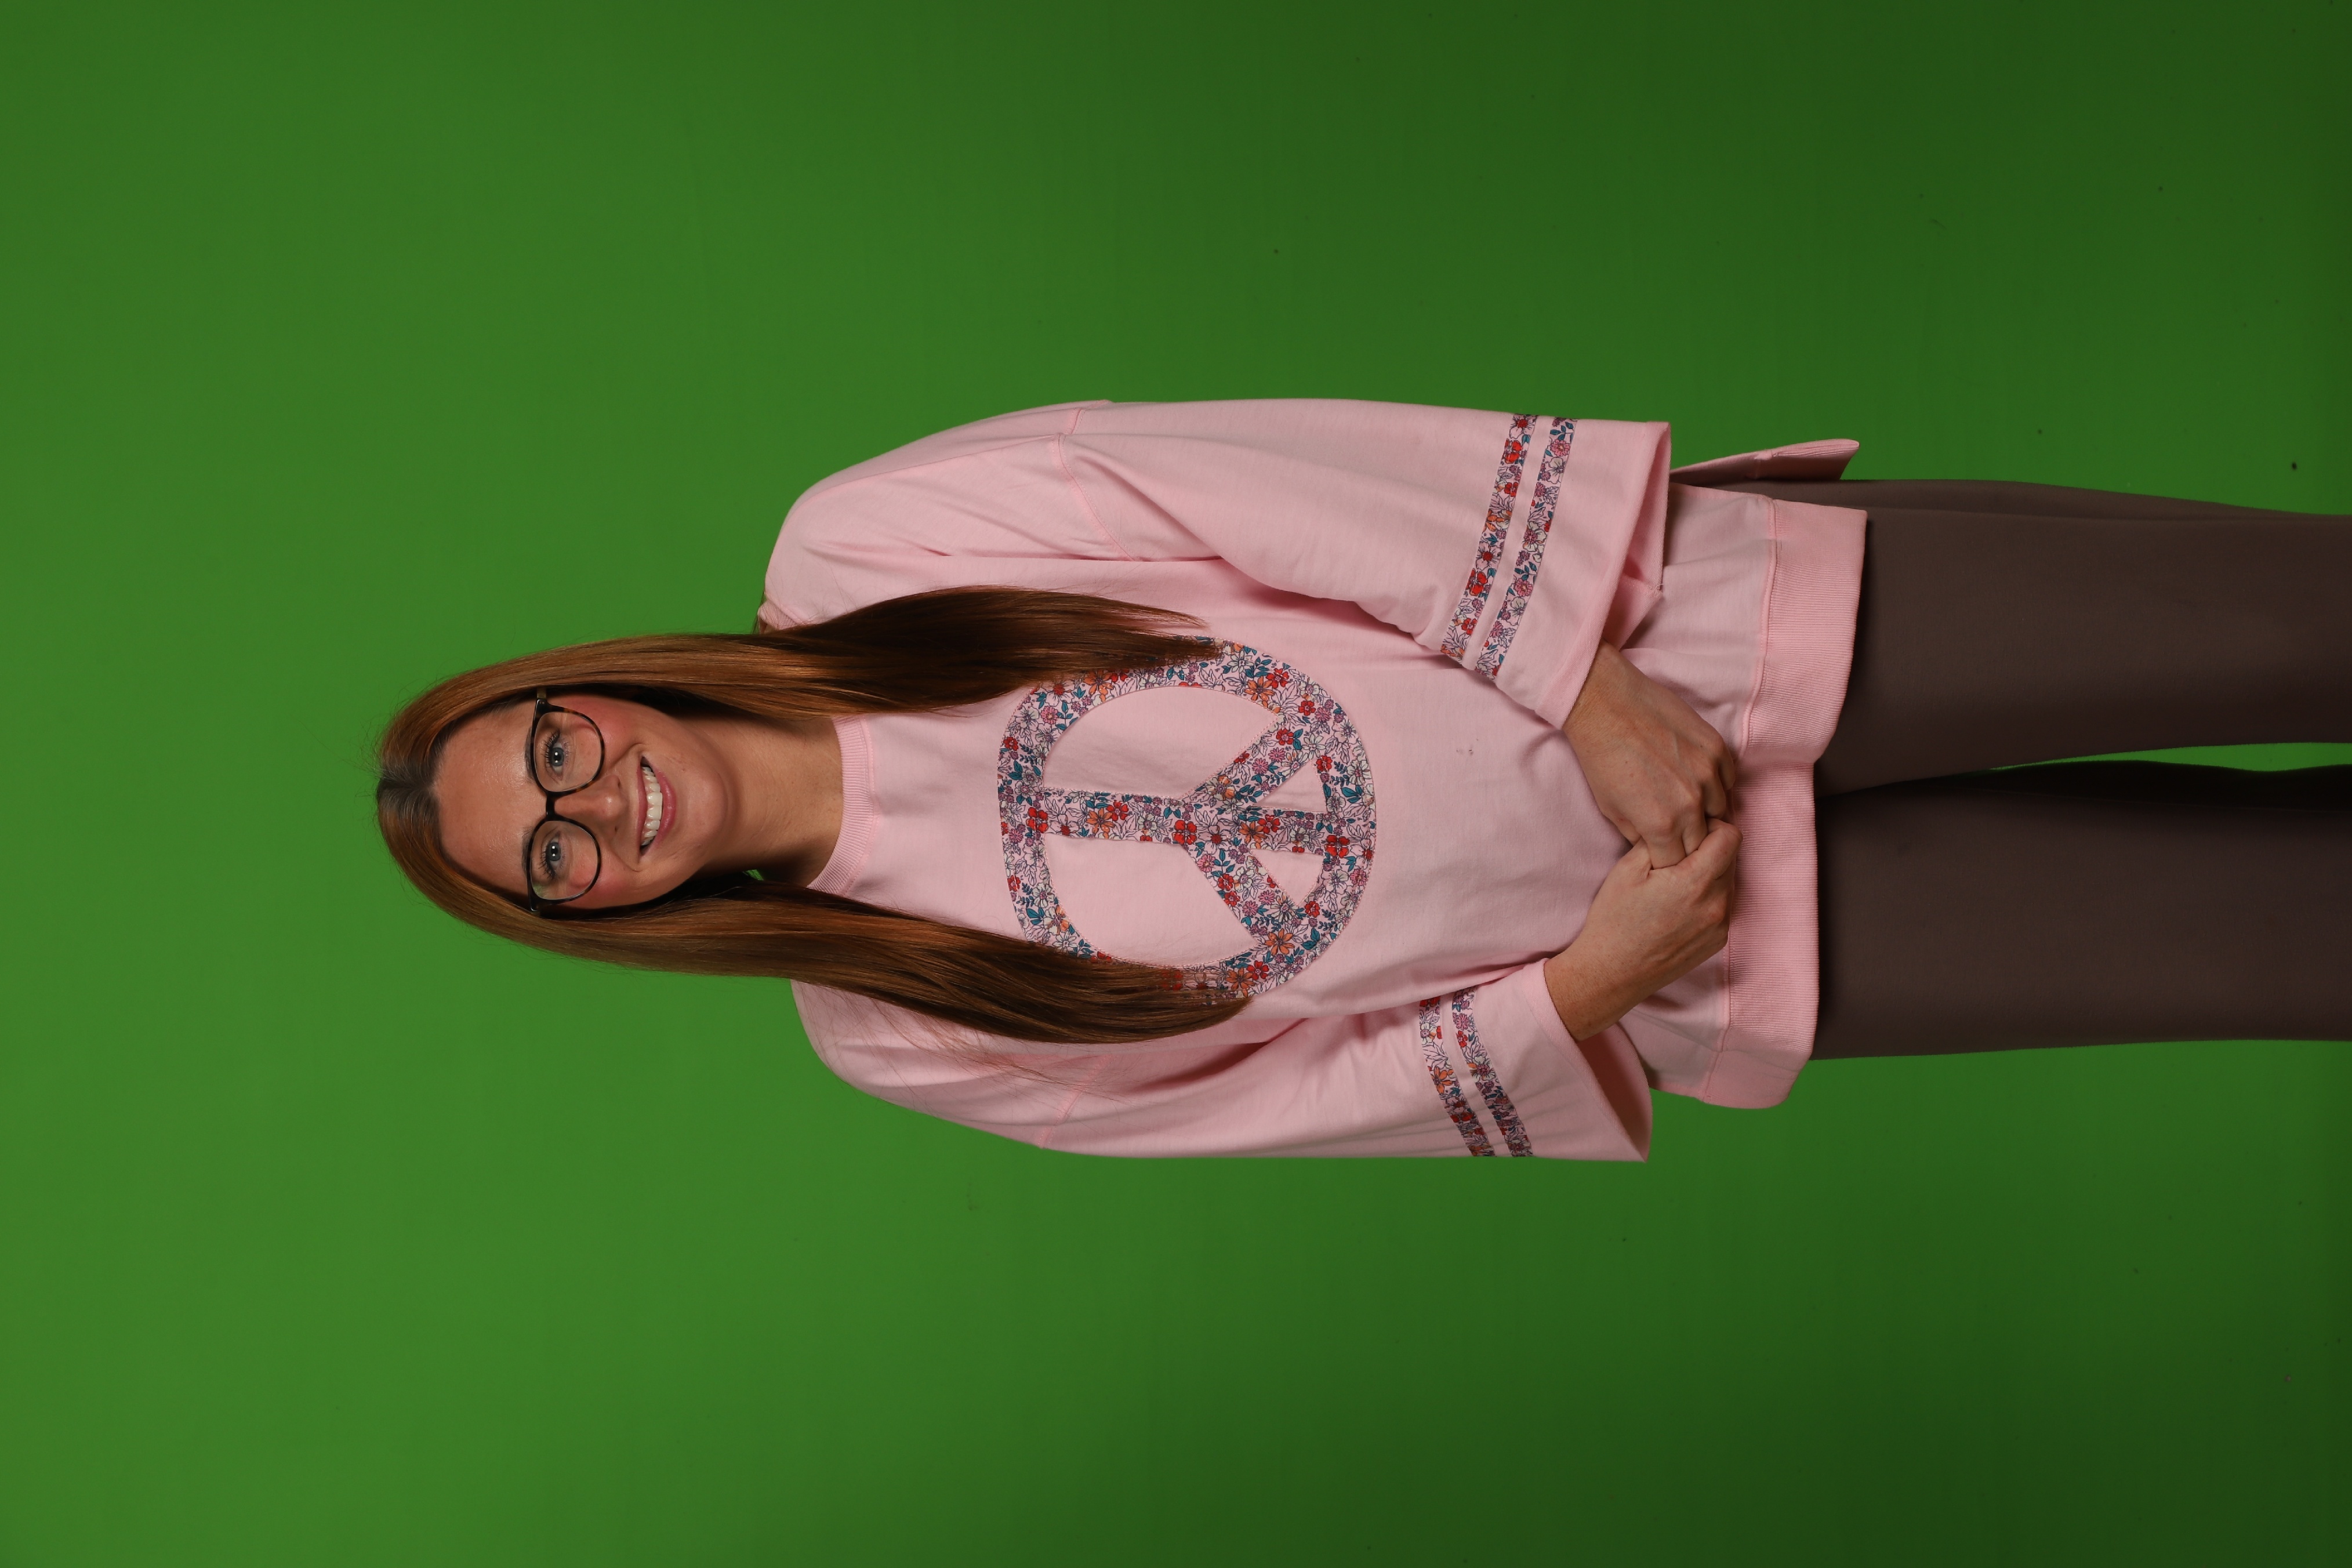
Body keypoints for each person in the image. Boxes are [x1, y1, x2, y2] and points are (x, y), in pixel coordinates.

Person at [378, 400, 2352, 1160]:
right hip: (1702, 932)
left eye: (555, 750)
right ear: (595, 917)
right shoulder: (898, 1026)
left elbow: (1271, 490)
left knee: (2285, 629)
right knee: (2284, 939)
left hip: (1694, 642)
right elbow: (1287, 1097)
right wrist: (1590, 982)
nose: (596, 806)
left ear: (590, 685)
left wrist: (1583, 683)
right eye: (552, 856)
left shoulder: (863, 553)